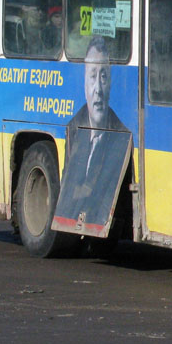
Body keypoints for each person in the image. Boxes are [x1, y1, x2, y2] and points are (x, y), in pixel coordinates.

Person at [56, 35, 132, 229]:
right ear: (84, 82)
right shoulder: (73, 128)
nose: (97, 88)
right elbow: (67, 195)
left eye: (103, 76)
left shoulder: (121, 136)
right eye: (92, 76)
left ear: (111, 83)